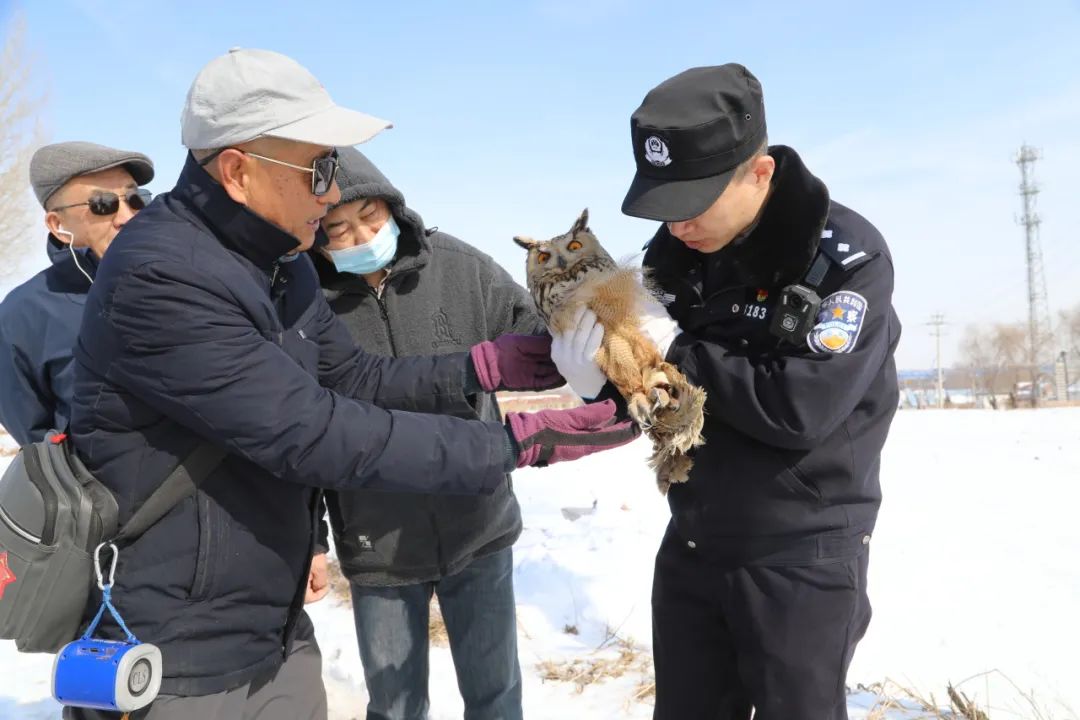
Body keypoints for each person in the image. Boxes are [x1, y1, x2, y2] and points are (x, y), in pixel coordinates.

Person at [66, 48, 636, 720]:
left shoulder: (280, 265)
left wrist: (490, 366)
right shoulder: (162, 276)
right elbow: (311, 432)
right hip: (178, 648)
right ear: (239, 172)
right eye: (318, 169)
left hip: (270, 625)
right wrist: (518, 443)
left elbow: (355, 375)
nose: (332, 193)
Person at [553, 63, 901, 720]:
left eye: (693, 203)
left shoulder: (841, 259)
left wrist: (677, 349)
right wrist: (605, 382)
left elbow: (800, 409)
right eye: (664, 206)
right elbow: (666, 401)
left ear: (759, 174)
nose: (676, 225)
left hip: (799, 551)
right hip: (695, 538)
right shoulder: (675, 255)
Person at [305, 147, 538, 720]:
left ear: (394, 208)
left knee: (496, 696)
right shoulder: (307, 305)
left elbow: (536, 334)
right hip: (376, 538)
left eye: (370, 217)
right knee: (394, 706)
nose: (361, 236)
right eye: (339, 229)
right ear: (317, 239)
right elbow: (299, 430)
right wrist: (312, 538)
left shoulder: (461, 268)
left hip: (478, 523)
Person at [0, 141, 153, 445]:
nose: (126, 216)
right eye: (102, 204)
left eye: (134, 199)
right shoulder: (21, 316)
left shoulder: (186, 277)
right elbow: (37, 439)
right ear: (58, 225)